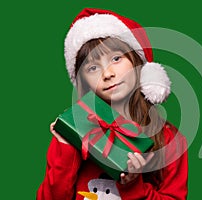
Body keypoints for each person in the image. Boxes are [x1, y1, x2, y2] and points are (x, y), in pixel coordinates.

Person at [37, 8, 188, 200]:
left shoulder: (170, 139)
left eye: (116, 58)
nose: (107, 74)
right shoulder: (73, 131)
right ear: (83, 82)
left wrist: (133, 185)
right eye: (92, 68)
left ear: (137, 61)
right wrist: (65, 150)